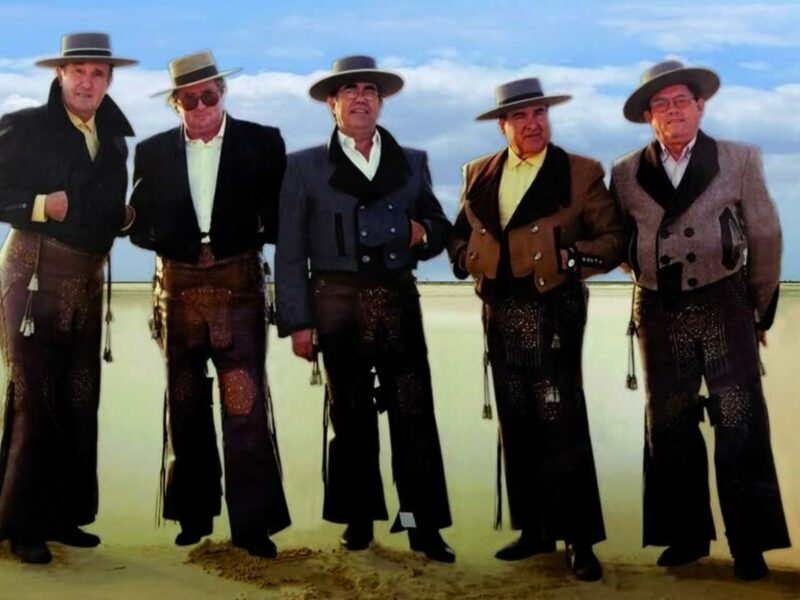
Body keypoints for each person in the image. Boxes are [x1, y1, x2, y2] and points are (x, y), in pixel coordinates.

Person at [611, 60, 790, 580]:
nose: (673, 111)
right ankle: (686, 538)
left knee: (739, 421)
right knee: (670, 423)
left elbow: (766, 237)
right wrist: (649, 269)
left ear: (700, 106)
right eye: (661, 104)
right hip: (658, 309)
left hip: (724, 304)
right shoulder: (624, 172)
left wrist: (756, 310)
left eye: (681, 101)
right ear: (649, 116)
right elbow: (621, 239)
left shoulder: (738, 158)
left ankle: (749, 545)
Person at [275, 55, 454, 563]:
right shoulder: (303, 167)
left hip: (398, 300)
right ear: (332, 105)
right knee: (350, 415)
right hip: (335, 304)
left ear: (381, 102)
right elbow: (289, 252)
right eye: (349, 91)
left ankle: (423, 527)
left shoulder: (413, 161)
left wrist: (423, 234)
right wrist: (298, 321)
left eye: (369, 91)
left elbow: (440, 228)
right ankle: (358, 520)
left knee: (414, 414)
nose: (360, 98)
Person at [448, 78, 623, 581]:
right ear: (503, 126)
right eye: (521, 117)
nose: (533, 124)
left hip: (555, 308)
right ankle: (535, 531)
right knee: (515, 418)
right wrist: (466, 258)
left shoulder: (581, 173)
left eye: (540, 113)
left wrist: (574, 257)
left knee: (561, 419)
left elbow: (613, 238)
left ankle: (580, 540)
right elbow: (459, 232)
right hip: (499, 311)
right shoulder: (478, 173)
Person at [128, 50, 290, 558]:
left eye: (208, 95)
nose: (199, 106)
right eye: (188, 98)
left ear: (223, 92)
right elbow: (136, 222)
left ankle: (252, 525)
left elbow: (282, 217)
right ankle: (194, 515)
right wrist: (162, 238)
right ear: (174, 103)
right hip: (175, 285)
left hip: (239, 280)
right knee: (185, 400)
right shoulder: (152, 152)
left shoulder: (262, 143)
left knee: (243, 401)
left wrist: (246, 239)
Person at [0, 32, 136, 564]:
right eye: (77, 70)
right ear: (59, 74)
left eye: (97, 73)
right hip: (33, 274)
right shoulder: (25, 126)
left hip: (86, 278)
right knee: (35, 398)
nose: (87, 81)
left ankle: (61, 516)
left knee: (79, 398)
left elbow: (102, 206)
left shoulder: (117, 139)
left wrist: (124, 218)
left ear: (109, 81)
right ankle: (21, 525)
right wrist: (36, 205)